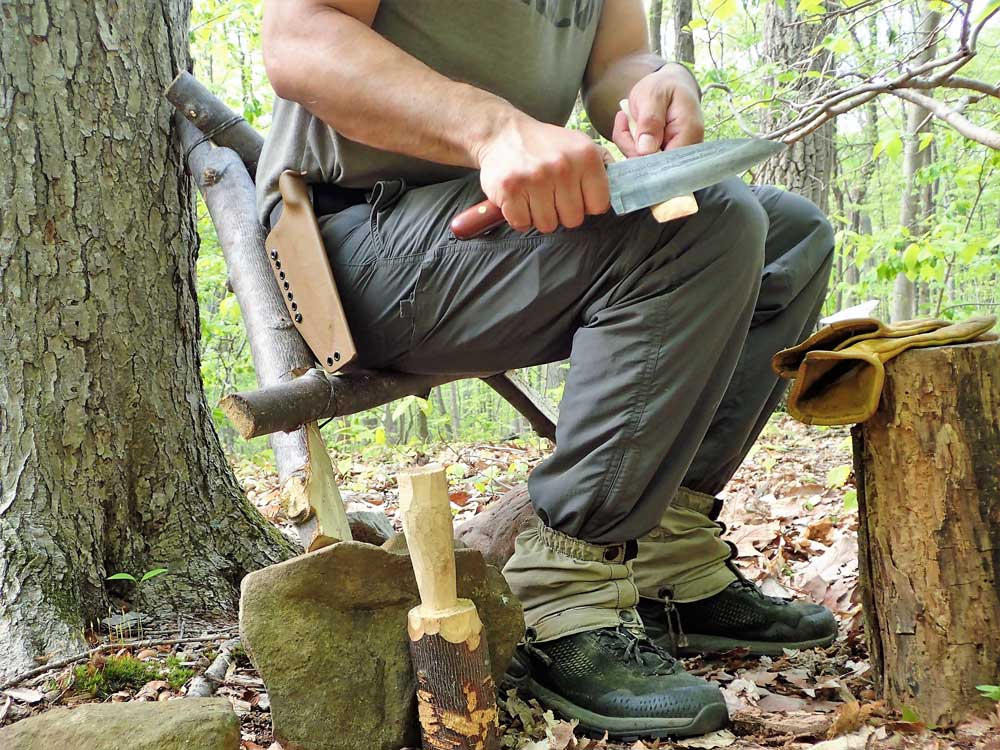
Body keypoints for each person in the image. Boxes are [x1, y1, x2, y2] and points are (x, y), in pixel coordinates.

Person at [257, 0, 837, 739]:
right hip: (351, 235)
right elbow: (299, 39)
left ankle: (667, 556)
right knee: (709, 224)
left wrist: (660, 84)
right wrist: (494, 129)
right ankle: (564, 592)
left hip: (504, 218)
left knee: (790, 236)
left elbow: (616, 63)